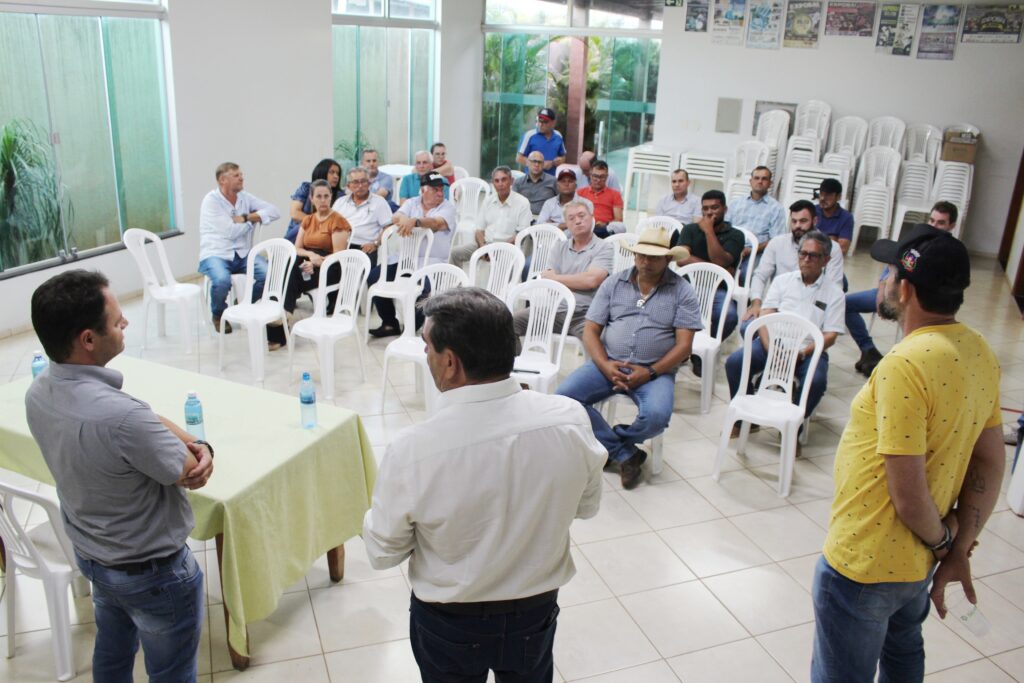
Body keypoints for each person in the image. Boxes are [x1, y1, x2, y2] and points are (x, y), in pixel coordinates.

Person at [363, 287, 605, 683]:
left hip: (450, 619)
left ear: (450, 362)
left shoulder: (414, 449)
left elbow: (383, 552)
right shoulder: (569, 419)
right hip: (535, 610)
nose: (425, 356)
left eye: (427, 347)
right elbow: (587, 506)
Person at [812, 223, 1003, 683]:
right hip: (918, 562)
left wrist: (943, 543)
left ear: (906, 288)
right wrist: (954, 547)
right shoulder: (978, 350)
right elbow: (992, 460)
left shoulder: (904, 364)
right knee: (902, 656)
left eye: (890, 273)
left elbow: (907, 491)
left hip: (866, 563)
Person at [25, 270, 214, 682]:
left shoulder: (39, 391)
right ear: (87, 339)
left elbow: (141, 416)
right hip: (153, 573)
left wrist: (166, 430)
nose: (125, 323)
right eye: (115, 320)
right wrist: (200, 446)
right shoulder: (122, 418)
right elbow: (187, 469)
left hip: (95, 555)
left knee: (112, 651)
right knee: (172, 672)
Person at [556, 226, 701, 490]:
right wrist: (605, 365)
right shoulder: (614, 283)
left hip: (654, 371)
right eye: (641, 256)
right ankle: (625, 453)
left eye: (654, 257)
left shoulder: (682, 291)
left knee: (657, 416)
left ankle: (615, 442)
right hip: (609, 362)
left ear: (668, 259)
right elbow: (591, 330)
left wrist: (651, 372)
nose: (645, 262)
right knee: (564, 399)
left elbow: (684, 347)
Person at [725, 230, 844, 439]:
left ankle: (792, 428)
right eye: (802, 253)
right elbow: (765, 316)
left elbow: (830, 335)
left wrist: (804, 353)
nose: (806, 260)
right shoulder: (783, 281)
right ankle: (747, 418)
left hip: (808, 350)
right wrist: (771, 348)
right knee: (735, 363)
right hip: (774, 344)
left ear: (825, 260)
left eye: (813, 255)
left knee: (816, 383)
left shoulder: (834, 293)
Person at [846, 201, 959, 377]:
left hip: (918, 301)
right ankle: (868, 351)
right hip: (892, 291)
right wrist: (882, 299)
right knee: (847, 304)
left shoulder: (950, 253)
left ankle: (905, 363)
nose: (934, 226)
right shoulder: (915, 241)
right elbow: (889, 269)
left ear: (951, 225)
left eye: (941, 223)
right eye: (932, 221)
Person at [369, 172, 456, 337]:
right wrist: (404, 219)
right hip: (405, 259)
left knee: (425, 290)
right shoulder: (412, 203)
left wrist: (415, 222)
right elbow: (396, 216)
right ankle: (389, 323)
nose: (440, 193)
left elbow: (436, 223)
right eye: (435, 189)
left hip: (432, 261)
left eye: (441, 189)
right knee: (374, 277)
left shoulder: (447, 207)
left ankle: (411, 328)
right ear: (423, 189)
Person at [197, 162, 281, 333]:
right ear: (223, 180)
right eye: (236, 175)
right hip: (216, 253)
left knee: (269, 275)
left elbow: (274, 211)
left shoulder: (244, 197)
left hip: (242, 254)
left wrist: (246, 217)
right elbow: (230, 231)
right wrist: (253, 221)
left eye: (241, 174)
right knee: (221, 280)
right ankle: (219, 314)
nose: (241, 178)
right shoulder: (211, 201)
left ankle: (243, 304)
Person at [513, 201, 613, 339]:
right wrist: (575, 280)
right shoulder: (558, 247)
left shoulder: (604, 247)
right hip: (552, 311)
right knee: (509, 324)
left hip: (585, 315)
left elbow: (591, 280)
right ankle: (511, 361)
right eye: (571, 218)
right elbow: (549, 282)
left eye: (582, 216)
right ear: (566, 223)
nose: (577, 221)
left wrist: (556, 278)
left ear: (592, 217)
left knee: (601, 343)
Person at [270, 180, 352, 348]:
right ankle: (281, 315)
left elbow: (338, 255)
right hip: (309, 260)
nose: (323, 200)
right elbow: (298, 248)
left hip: (330, 266)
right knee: (286, 270)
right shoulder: (308, 220)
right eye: (318, 196)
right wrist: (310, 256)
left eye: (326, 196)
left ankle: (280, 320)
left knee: (290, 275)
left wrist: (316, 263)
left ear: (331, 198)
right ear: (311, 199)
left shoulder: (338, 221)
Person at [741, 199, 844, 333]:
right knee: (747, 327)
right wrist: (756, 303)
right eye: (794, 221)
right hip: (778, 304)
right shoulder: (777, 243)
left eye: (803, 221)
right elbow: (760, 275)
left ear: (815, 221)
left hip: (810, 311)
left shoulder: (832, 248)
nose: (797, 226)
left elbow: (834, 286)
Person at [672, 190, 745, 362]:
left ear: (725, 209)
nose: (710, 212)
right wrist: (716, 268)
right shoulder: (690, 229)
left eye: (715, 208)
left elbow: (720, 260)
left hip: (717, 290)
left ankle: (701, 354)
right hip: (687, 287)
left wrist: (708, 232)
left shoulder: (735, 235)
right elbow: (681, 259)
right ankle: (682, 349)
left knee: (729, 316)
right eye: (705, 209)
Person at [449, 166, 532, 270]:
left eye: (504, 179)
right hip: (486, 245)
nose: (500, 184)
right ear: (493, 183)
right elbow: (479, 230)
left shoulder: (522, 203)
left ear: (511, 181)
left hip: (508, 248)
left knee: (501, 269)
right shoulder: (488, 201)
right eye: (497, 181)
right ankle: (457, 284)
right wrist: (483, 247)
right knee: (455, 253)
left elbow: (521, 235)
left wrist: (496, 250)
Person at [332, 165, 394, 291]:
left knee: (357, 270)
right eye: (355, 182)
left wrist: (375, 243)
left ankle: (356, 301)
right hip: (342, 246)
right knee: (329, 267)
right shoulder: (340, 203)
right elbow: (331, 225)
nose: (360, 186)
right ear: (348, 185)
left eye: (363, 181)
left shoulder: (379, 202)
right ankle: (334, 302)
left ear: (369, 183)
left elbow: (388, 227)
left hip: (366, 247)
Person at [726, 165, 786, 255]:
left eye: (764, 179)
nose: (760, 181)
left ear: (770, 183)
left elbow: (776, 240)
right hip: (731, 249)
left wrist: (752, 250)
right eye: (756, 178)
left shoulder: (777, 209)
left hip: (758, 254)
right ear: (751, 181)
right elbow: (725, 228)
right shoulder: (735, 204)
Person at [284, 158, 344, 243]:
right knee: (303, 225)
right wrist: (317, 223)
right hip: (299, 233)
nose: (336, 176)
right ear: (322, 172)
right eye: (332, 172)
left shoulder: (340, 196)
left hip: (325, 235)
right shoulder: (306, 188)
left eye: (338, 174)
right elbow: (295, 213)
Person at [577, 160, 624, 238]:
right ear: (590, 175)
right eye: (595, 176)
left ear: (607, 176)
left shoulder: (615, 194)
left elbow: (619, 219)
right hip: (585, 225)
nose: (598, 180)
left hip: (605, 228)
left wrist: (605, 224)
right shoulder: (580, 193)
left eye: (602, 177)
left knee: (621, 227)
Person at [516, 106, 566, 175]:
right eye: (540, 121)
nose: (541, 124)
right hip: (532, 179)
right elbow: (519, 158)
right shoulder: (530, 135)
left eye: (545, 122)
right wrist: (539, 165)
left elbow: (563, 156)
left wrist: (558, 161)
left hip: (550, 179)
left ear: (553, 123)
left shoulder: (558, 136)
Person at [815, 178, 854, 255]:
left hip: (832, 260)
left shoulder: (846, 217)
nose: (822, 198)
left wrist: (814, 238)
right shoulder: (812, 210)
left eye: (828, 195)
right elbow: (801, 240)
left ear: (838, 197)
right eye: (821, 194)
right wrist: (833, 238)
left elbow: (842, 249)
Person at [513, 150, 558, 215]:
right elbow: (513, 203)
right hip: (524, 218)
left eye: (539, 162)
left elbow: (561, 202)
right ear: (527, 163)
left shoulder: (553, 181)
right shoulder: (518, 183)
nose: (536, 165)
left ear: (543, 165)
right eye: (534, 161)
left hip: (546, 219)